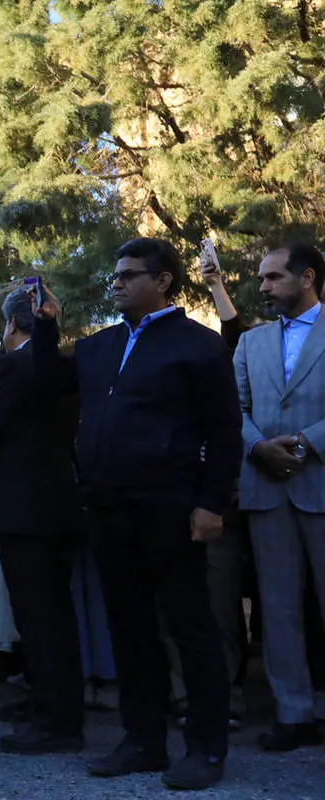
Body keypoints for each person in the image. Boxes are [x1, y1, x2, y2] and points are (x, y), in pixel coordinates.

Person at [32, 237, 241, 791]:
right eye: (115, 275)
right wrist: (47, 327)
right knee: (128, 627)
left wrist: (211, 502)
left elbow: (225, 430)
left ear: (163, 280)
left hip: (173, 506)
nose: (117, 283)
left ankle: (206, 748)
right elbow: (48, 382)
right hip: (108, 506)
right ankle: (143, 740)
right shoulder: (99, 347)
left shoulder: (199, 346)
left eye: (128, 274)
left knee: (190, 626)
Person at [0, 287, 85, 753]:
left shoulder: (14, 364)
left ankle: (56, 721)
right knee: (53, 615)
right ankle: (50, 704)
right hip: (55, 502)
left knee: (39, 618)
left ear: (11, 323)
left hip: (22, 507)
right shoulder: (61, 365)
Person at [234, 243, 325, 751]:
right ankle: (294, 714)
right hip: (267, 489)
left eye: (272, 277)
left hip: (321, 481)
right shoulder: (251, 342)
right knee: (278, 608)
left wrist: (308, 443)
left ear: (307, 277)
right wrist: (258, 447)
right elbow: (233, 408)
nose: (262, 287)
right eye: (260, 278)